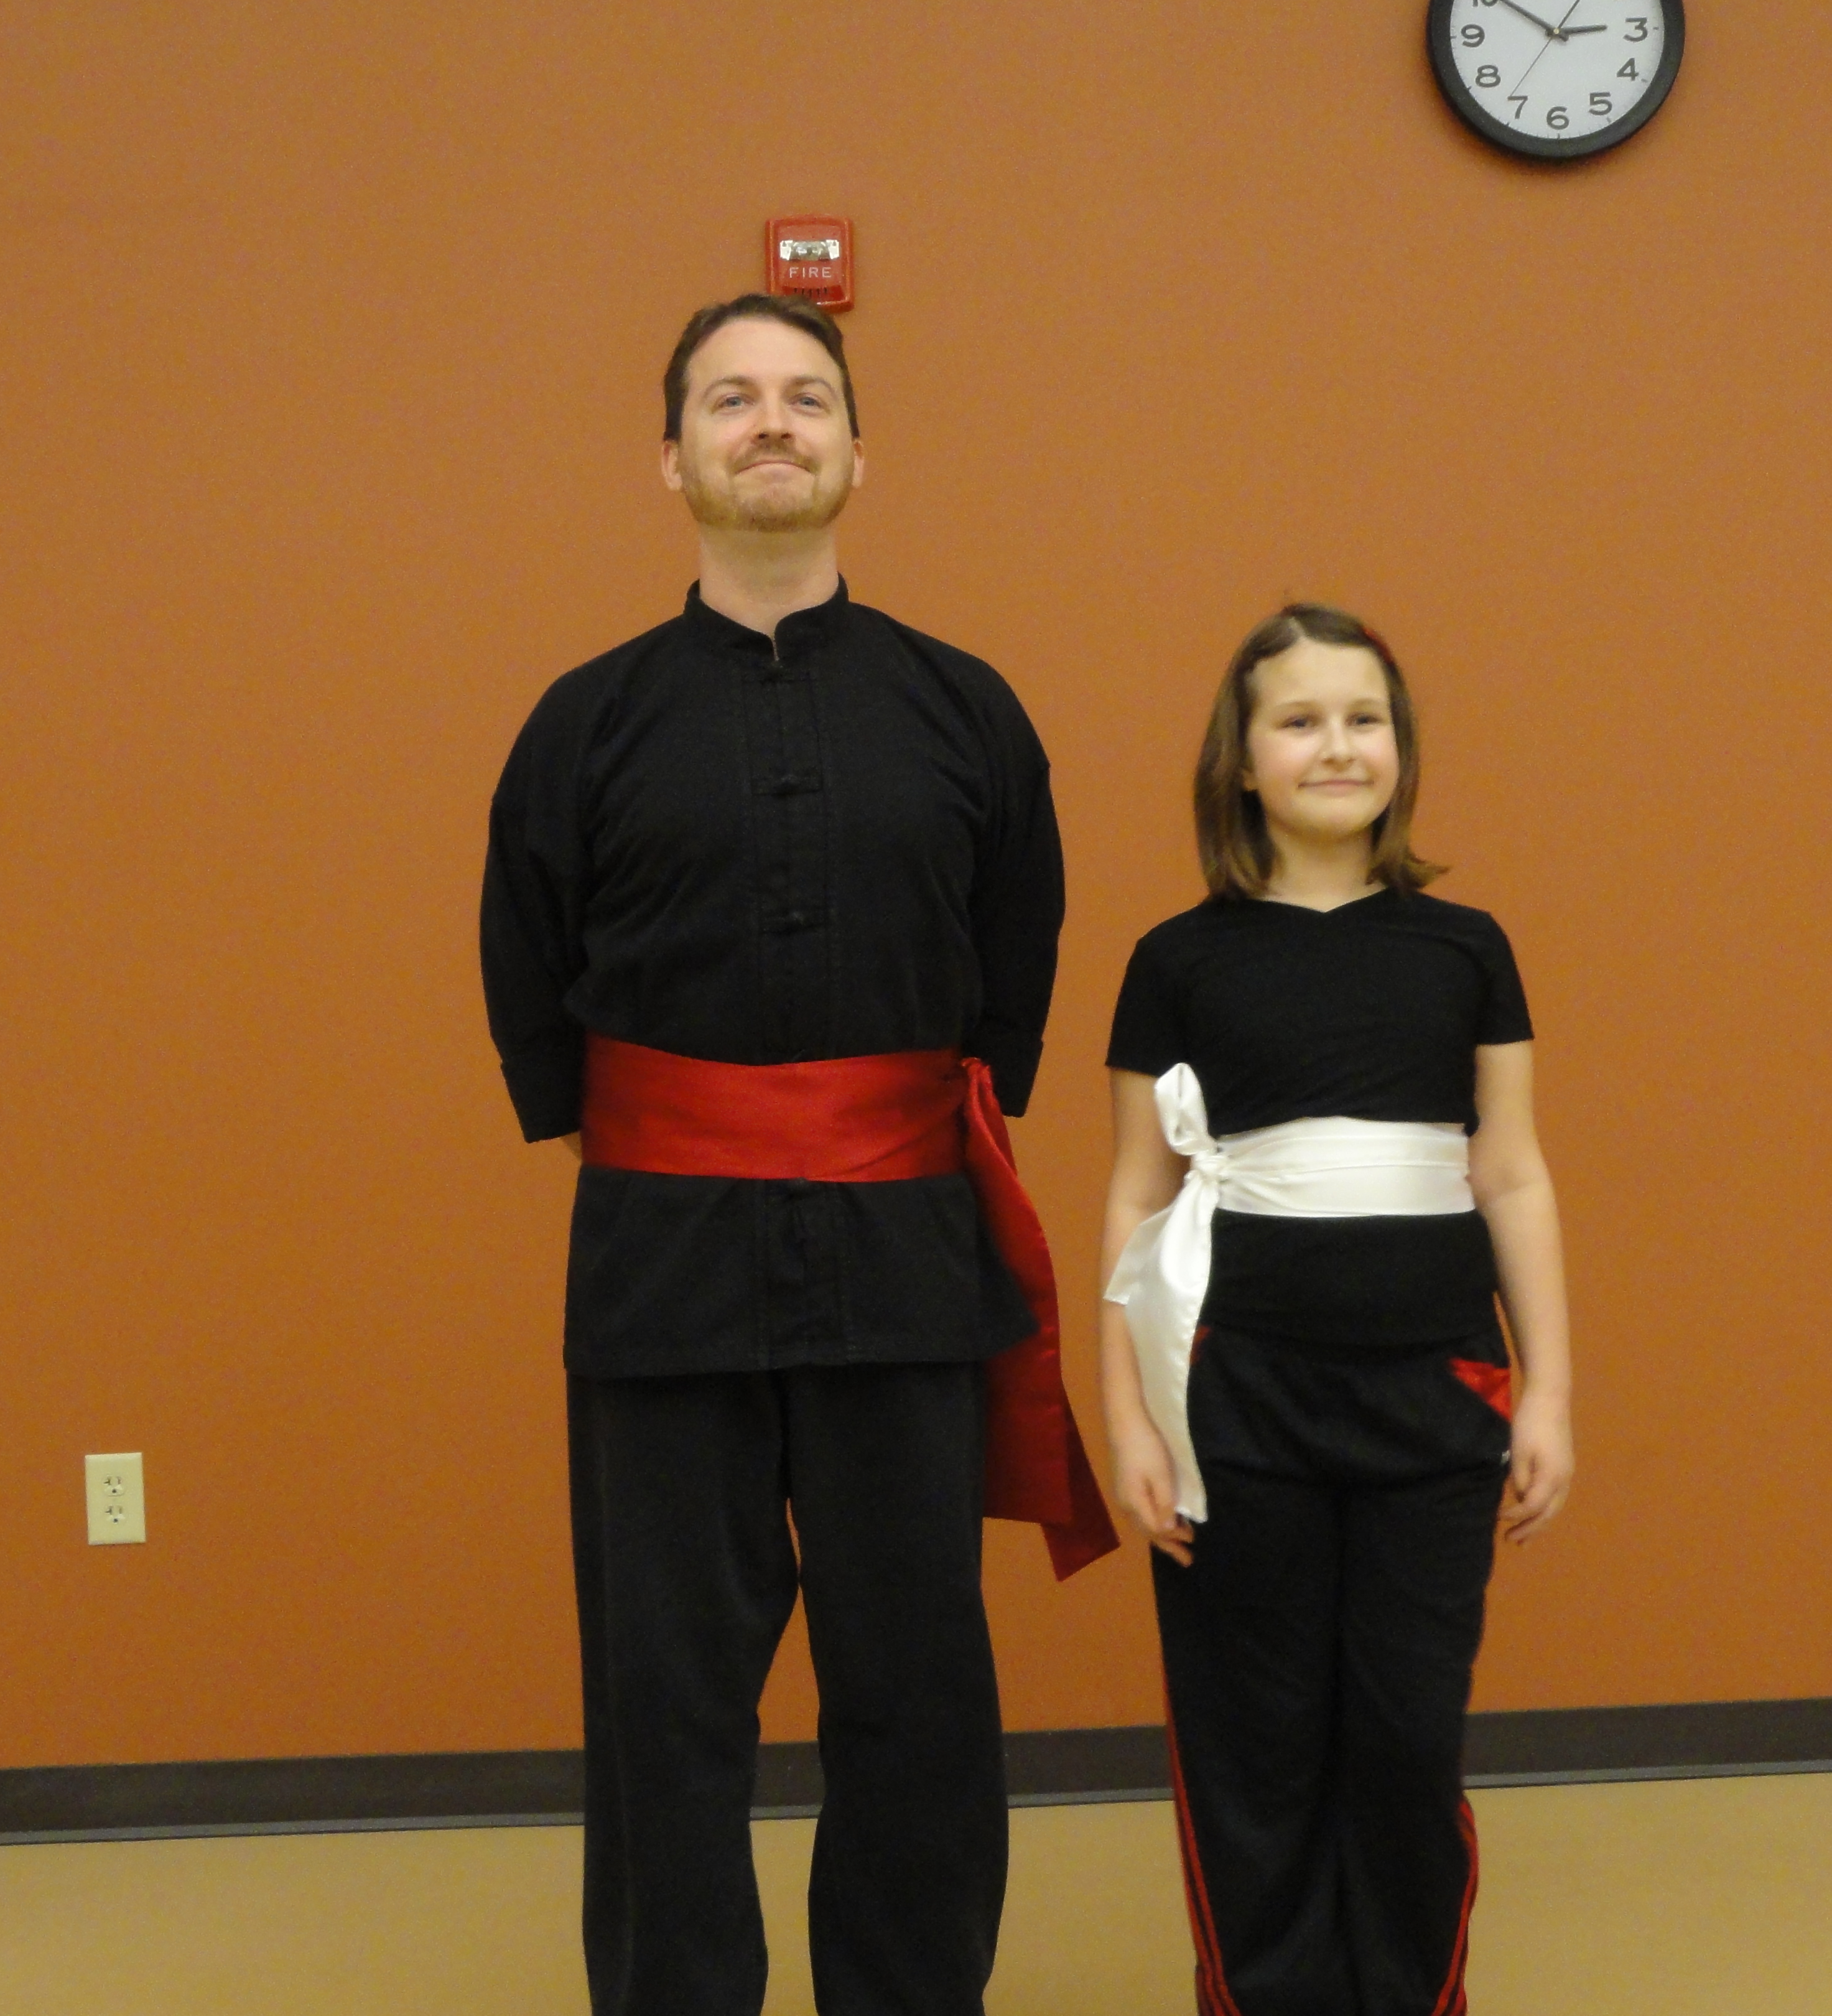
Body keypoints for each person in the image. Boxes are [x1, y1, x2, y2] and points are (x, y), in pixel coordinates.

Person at [480, 294, 1114, 2016]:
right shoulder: (584, 723)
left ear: (857, 451)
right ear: (671, 456)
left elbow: (1015, 963)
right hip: (660, 1271)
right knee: (663, 1698)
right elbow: (530, 976)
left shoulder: (965, 711)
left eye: (806, 397)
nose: (772, 422)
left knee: (918, 1688)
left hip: (905, 1257)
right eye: (731, 399)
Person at [1092, 605, 1574, 2016]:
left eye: (1365, 718)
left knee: (1406, 1736)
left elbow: (1511, 1171)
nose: (1337, 746)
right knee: (1256, 1743)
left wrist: (1548, 1390)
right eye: (1299, 721)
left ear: (1401, 748)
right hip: (1235, 1402)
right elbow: (1136, 1198)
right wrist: (1129, 1419)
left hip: (1437, 1396)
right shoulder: (1176, 961)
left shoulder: (1466, 949)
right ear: (1241, 761)